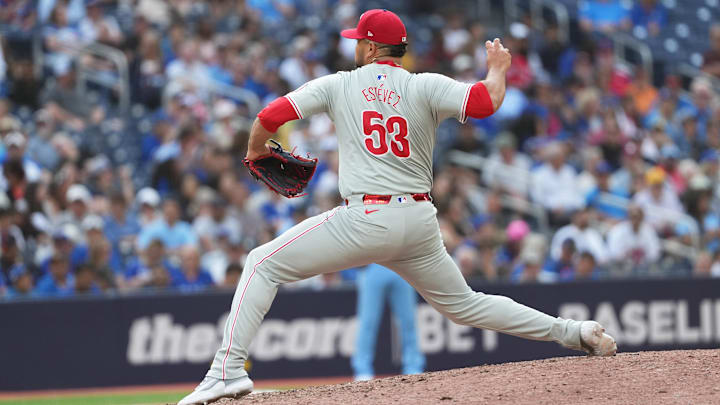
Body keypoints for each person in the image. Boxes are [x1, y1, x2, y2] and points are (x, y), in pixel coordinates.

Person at [178, 10, 616, 405]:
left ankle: (225, 371)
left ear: (369, 47)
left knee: (260, 264)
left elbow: (270, 115)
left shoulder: (340, 83)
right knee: (466, 304)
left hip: (366, 218)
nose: (353, 46)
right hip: (420, 222)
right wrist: (497, 70)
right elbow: (487, 102)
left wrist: (256, 153)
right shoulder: (424, 84)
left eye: (357, 40)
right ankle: (572, 332)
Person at [351, 263, 425, 381]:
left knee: (408, 322)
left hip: (400, 266)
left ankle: (413, 367)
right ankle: (362, 370)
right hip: (373, 266)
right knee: (368, 322)